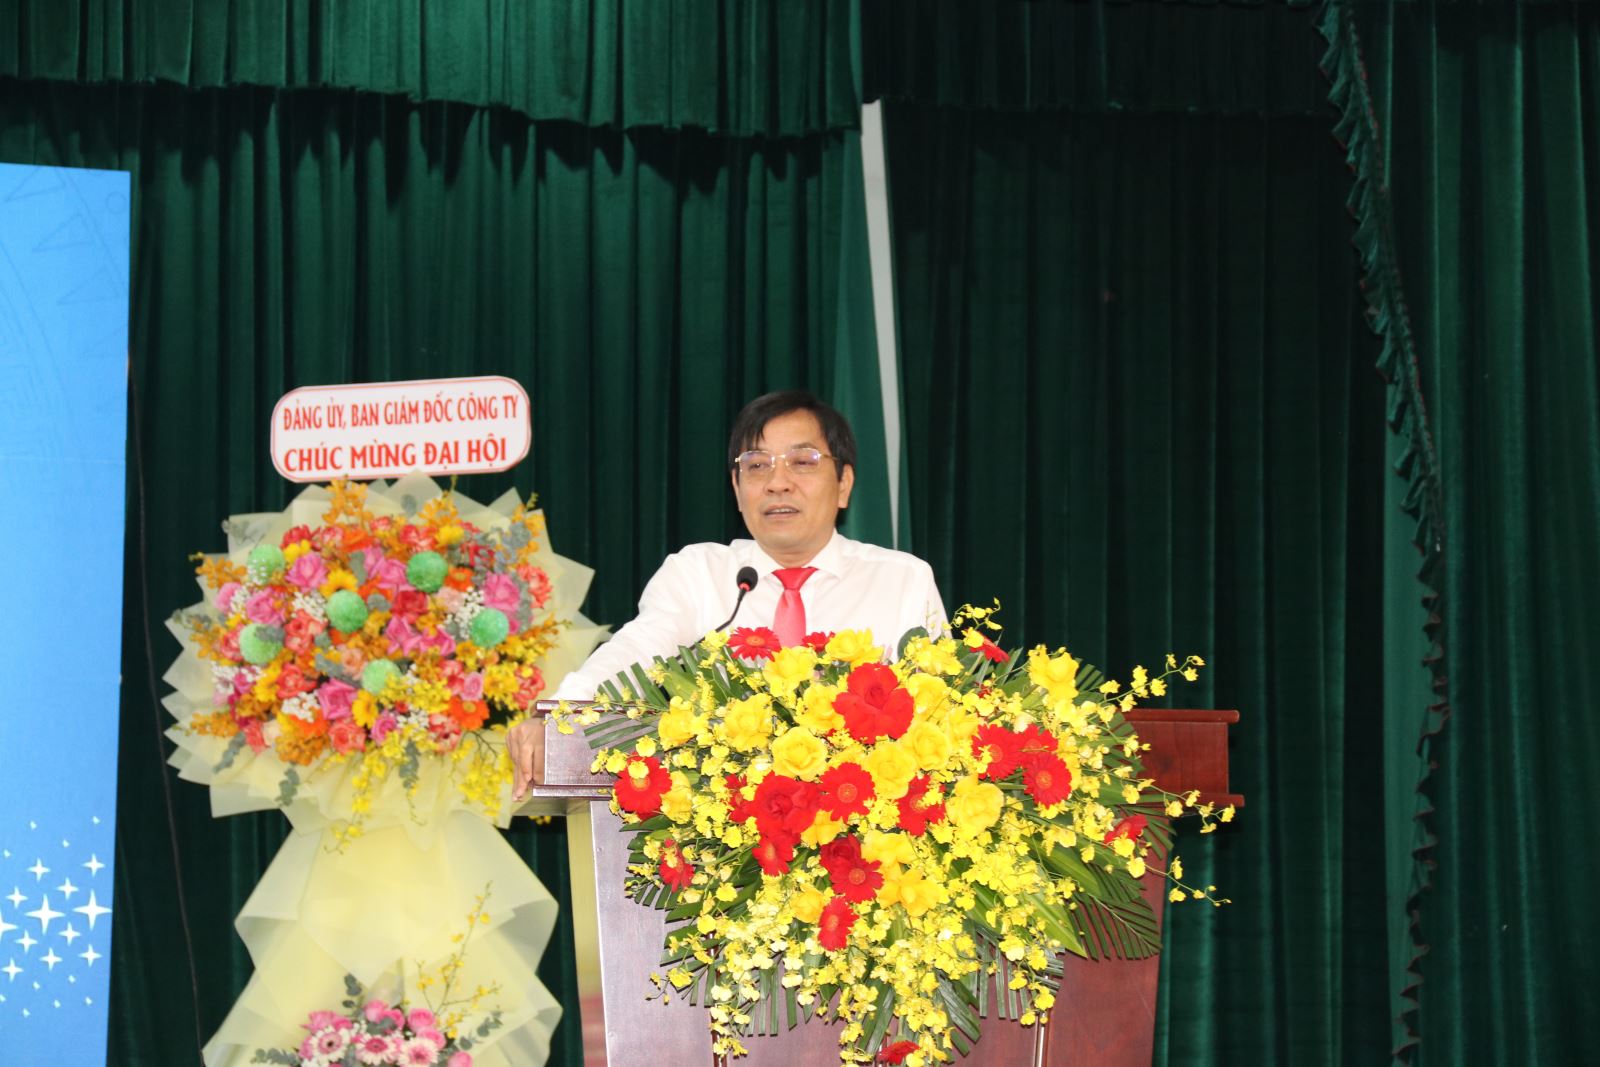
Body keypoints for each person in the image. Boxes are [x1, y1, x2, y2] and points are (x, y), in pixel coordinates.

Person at [508, 390, 946, 798]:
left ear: (844, 483)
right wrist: (559, 718)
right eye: (756, 466)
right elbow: (636, 652)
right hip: (723, 823)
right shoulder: (698, 574)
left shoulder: (901, 581)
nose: (777, 482)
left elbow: (942, 716)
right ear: (737, 489)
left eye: (802, 462)